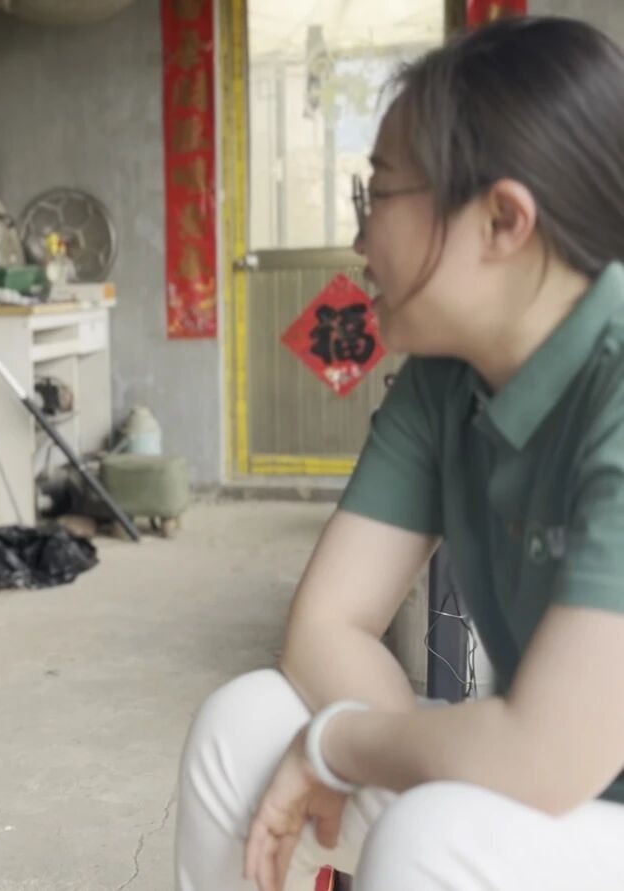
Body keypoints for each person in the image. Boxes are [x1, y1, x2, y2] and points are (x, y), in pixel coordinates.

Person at [175, 17, 624, 891]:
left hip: (574, 784)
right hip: (558, 792)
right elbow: (325, 624)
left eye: (376, 196)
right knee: (244, 725)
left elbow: (549, 755)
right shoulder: (445, 378)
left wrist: (341, 746)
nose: (359, 240)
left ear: (501, 219)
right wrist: (373, 751)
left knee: (431, 836)